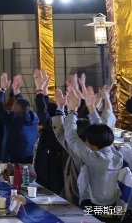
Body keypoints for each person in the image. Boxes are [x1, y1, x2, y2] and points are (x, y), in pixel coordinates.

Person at [64, 86, 123, 218]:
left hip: (95, 208)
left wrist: (72, 111)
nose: (85, 143)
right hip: (113, 205)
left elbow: (72, 139)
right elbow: (102, 129)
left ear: (94, 146)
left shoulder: (94, 159)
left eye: (87, 141)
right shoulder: (115, 154)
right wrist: (91, 108)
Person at [0, 73, 38, 163]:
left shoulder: (14, 119)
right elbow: (23, 105)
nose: (11, 108)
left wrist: (2, 89)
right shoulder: (34, 118)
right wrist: (16, 91)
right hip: (29, 158)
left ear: (17, 108)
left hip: (13, 161)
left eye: (13, 105)